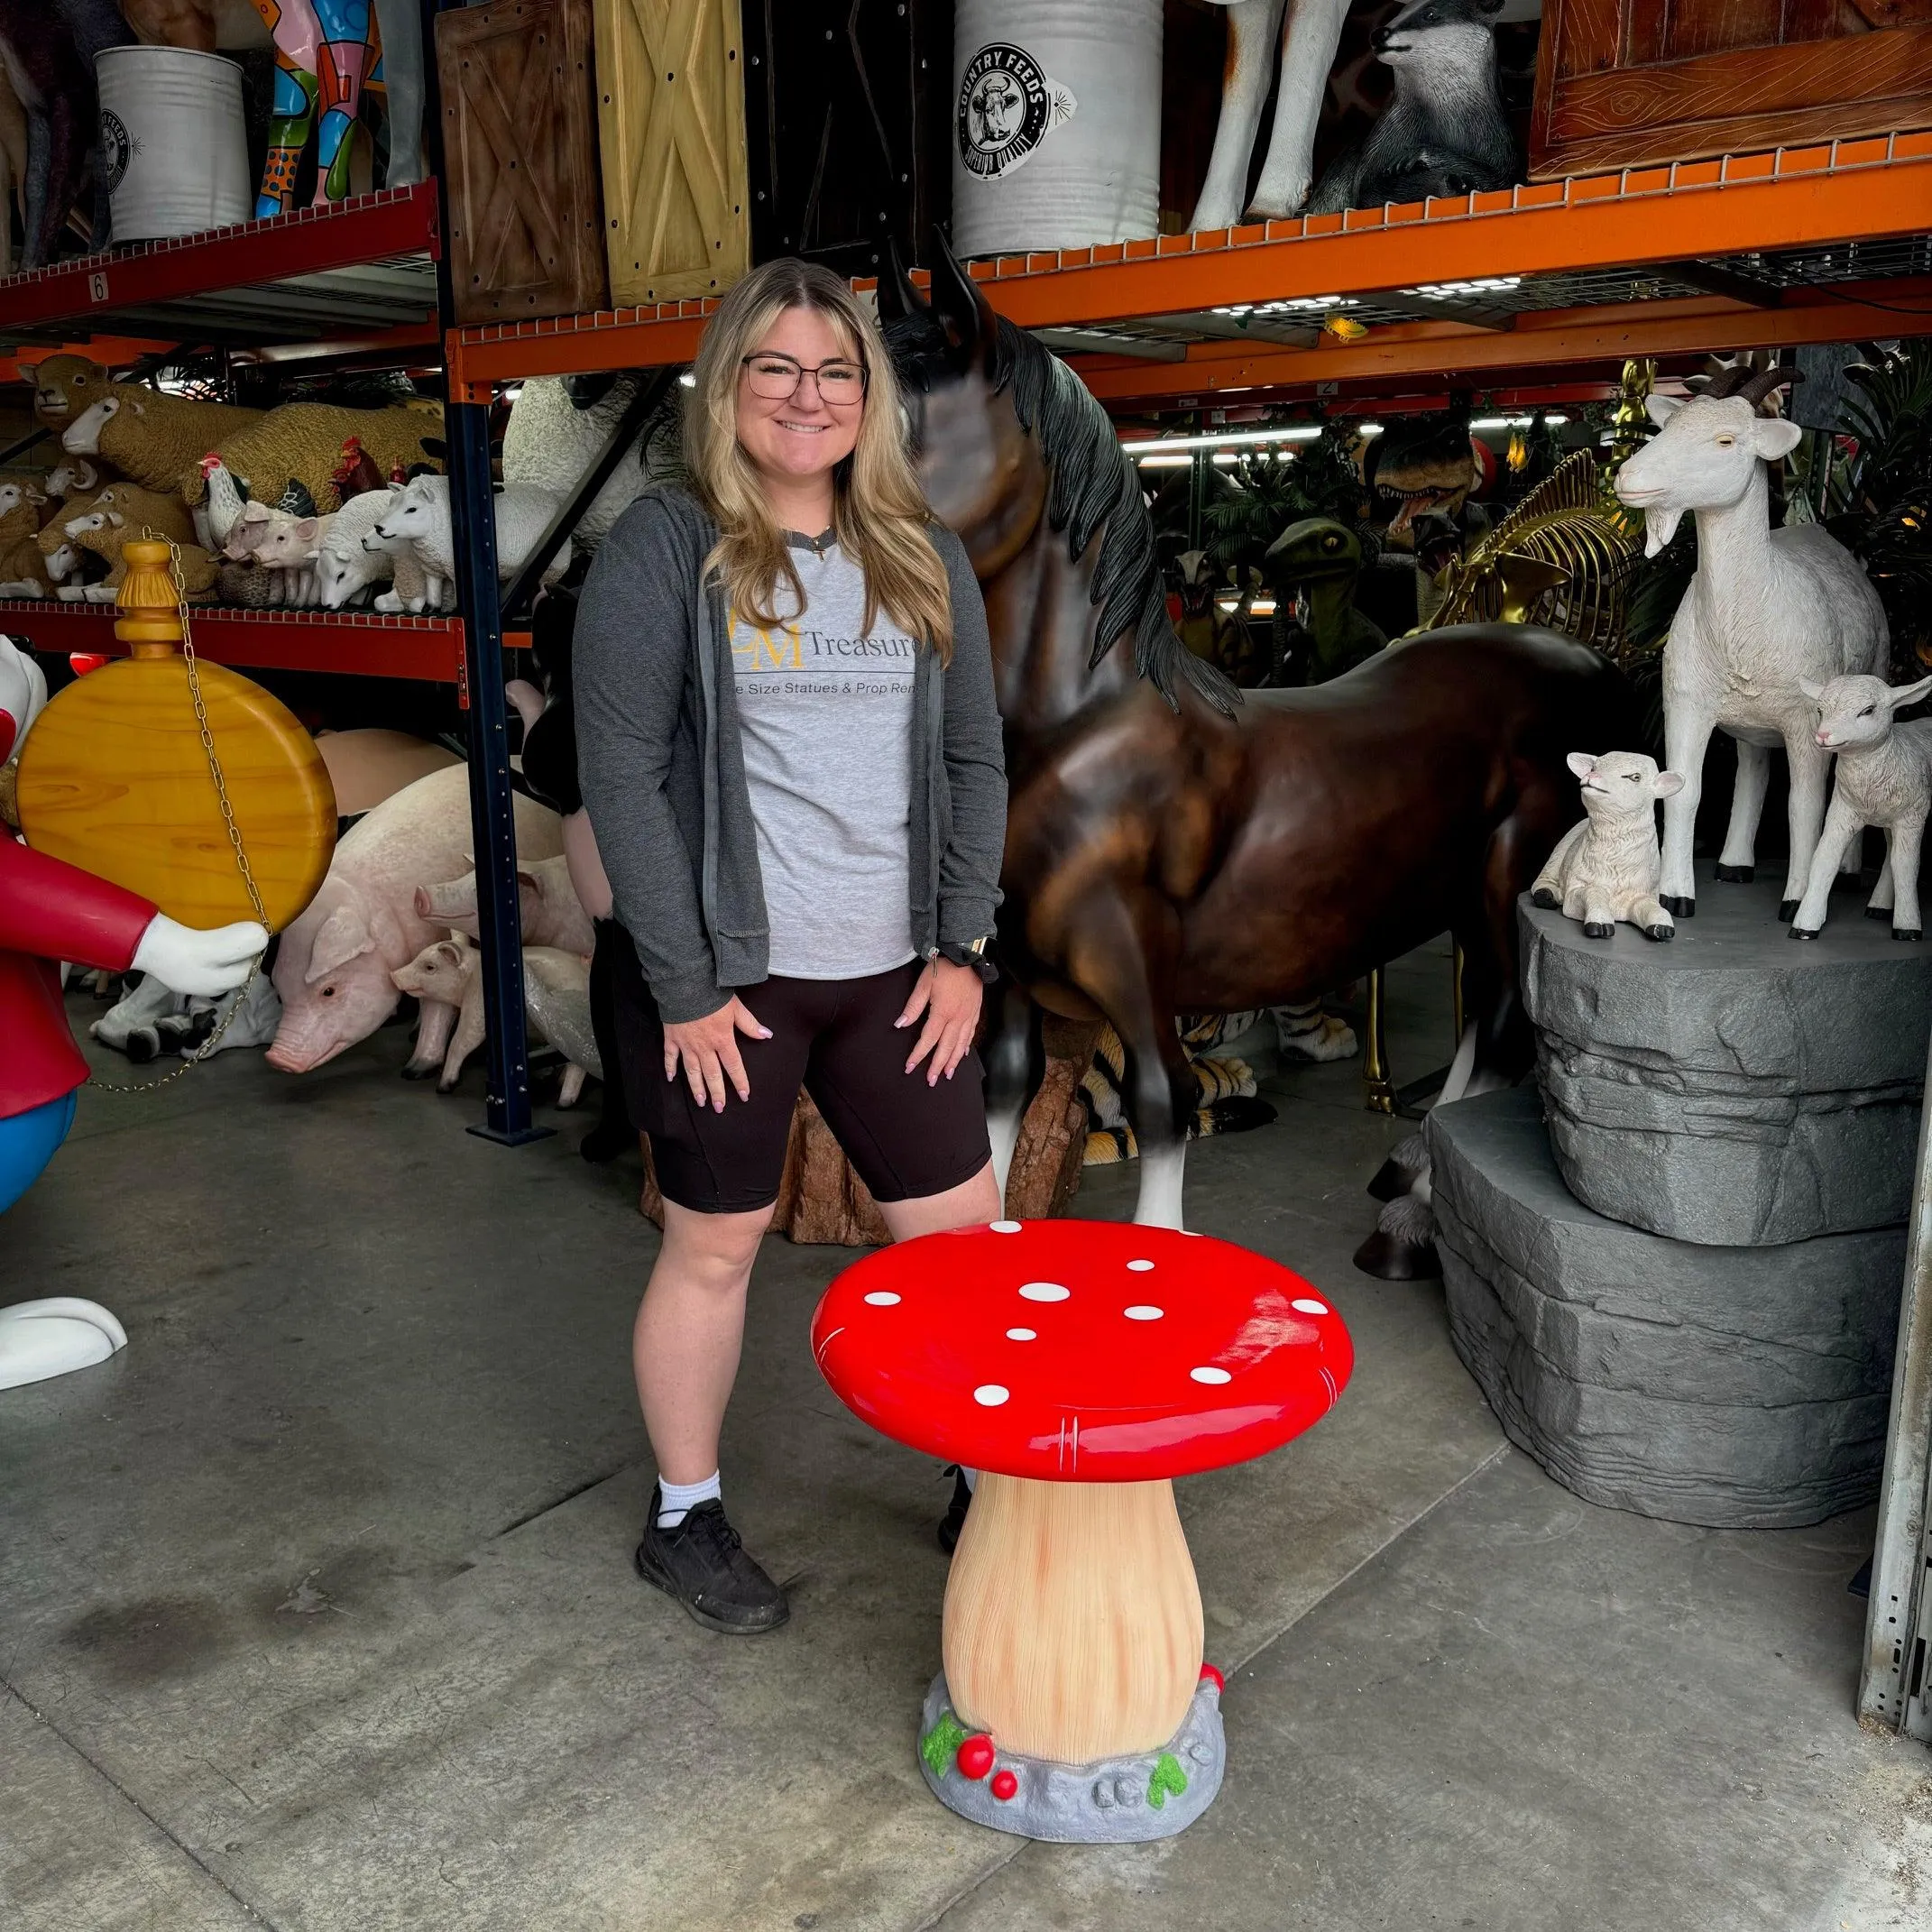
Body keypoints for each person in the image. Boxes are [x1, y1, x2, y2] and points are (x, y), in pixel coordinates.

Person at [575, 258, 1007, 1636]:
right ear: (729, 384)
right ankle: (683, 1514)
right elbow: (623, 774)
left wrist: (961, 945)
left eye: (835, 371)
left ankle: (974, 1471)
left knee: (961, 1240)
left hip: (895, 975)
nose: (806, 396)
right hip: (732, 988)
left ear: (866, 396)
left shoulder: (915, 548)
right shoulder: (665, 545)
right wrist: (685, 987)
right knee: (714, 1248)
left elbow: (971, 754)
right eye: (776, 367)